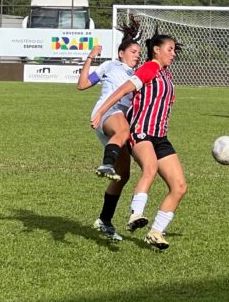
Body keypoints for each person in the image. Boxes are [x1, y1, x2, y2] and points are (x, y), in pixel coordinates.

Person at [91, 31, 187, 251]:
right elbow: (123, 90)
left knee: (179, 186)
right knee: (150, 168)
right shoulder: (150, 68)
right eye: (169, 49)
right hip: (141, 132)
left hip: (160, 137)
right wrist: (101, 112)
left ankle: (155, 233)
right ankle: (136, 214)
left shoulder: (166, 74)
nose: (173, 54)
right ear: (156, 50)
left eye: (174, 50)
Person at [77, 19, 142, 240]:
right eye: (133, 51)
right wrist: (90, 57)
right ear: (121, 52)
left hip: (120, 120)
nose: (137, 55)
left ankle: (104, 220)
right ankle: (106, 163)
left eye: (139, 52)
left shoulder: (138, 73)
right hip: (106, 113)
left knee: (123, 175)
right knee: (122, 131)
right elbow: (83, 84)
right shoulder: (110, 66)